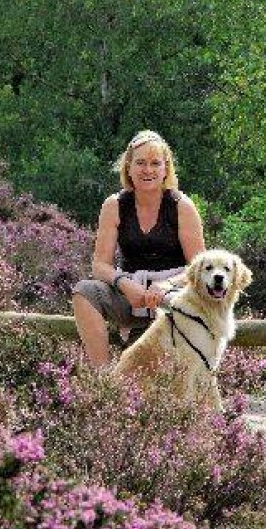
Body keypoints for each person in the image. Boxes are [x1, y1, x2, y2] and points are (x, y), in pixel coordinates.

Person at [72, 130, 206, 368]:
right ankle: (103, 379)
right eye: (141, 163)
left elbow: (199, 269)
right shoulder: (114, 205)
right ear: (129, 167)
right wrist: (124, 283)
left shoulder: (182, 206)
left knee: (147, 370)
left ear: (166, 169)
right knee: (84, 292)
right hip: (130, 296)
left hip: (171, 298)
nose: (147, 170)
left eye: (155, 163)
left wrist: (165, 285)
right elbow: (100, 265)